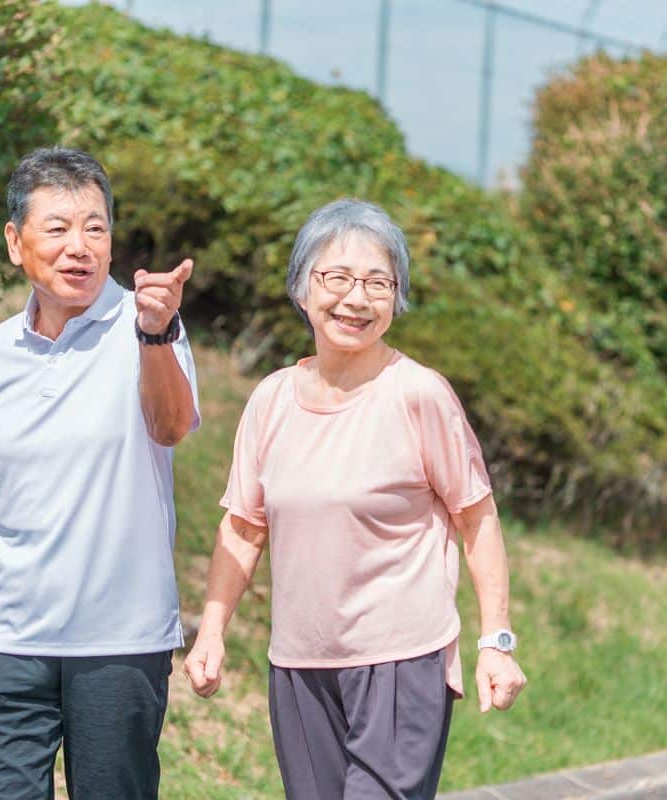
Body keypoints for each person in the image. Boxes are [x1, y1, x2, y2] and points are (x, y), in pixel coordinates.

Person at [183, 198, 527, 799]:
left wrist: (496, 641)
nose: (356, 298)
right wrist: (212, 631)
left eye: (377, 282)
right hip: (299, 665)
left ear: (397, 298)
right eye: (337, 278)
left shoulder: (419, 394)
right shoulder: (270, 400)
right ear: (301, 289)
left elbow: (477, 519)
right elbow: (243, 528)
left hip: (402, 660)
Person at [0, 145, 200, 800]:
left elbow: (171, 426)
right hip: (5, 643)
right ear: (15, 241)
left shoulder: (151, 329)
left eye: (95, 227)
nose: (78, 246)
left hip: (118, 644)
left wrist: (154, 335)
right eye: (57, 228)